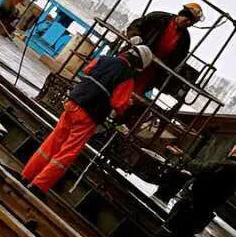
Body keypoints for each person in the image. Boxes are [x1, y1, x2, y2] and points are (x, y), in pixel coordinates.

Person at [21, 43, 152, 195]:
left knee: (52, 141)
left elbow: (87, 69)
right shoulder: (128, 78)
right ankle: (38, 186)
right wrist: (128, 102)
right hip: (89, 115)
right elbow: (118, 103)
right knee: (67, 152)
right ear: (138, 65)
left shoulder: (104, 59)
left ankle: (27, 175)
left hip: (73, 102)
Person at [125, 2, 204, 101]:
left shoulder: (185, 39)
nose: (188, 23)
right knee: (119, 81)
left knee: (134, 94)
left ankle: (119, 111)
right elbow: (137, 25)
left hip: (151, 71)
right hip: (134, 57)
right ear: (182, 14)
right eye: (187, 19)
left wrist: (164, 68)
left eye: (191, 23)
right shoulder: (158, 18)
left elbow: (177, 60)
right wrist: (134, 35)